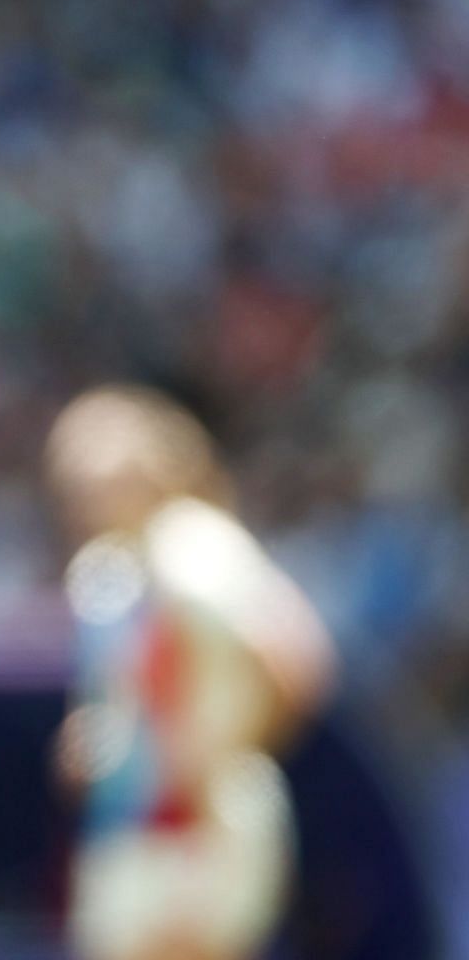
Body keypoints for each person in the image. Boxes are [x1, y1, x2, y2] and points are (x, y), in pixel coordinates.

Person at [43, 384, 336, 960]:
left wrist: (217, 753)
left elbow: (296, 661)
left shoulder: (198, 544)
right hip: (130, 830)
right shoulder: (103, 571)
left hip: (203, 834)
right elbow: (114, 699)